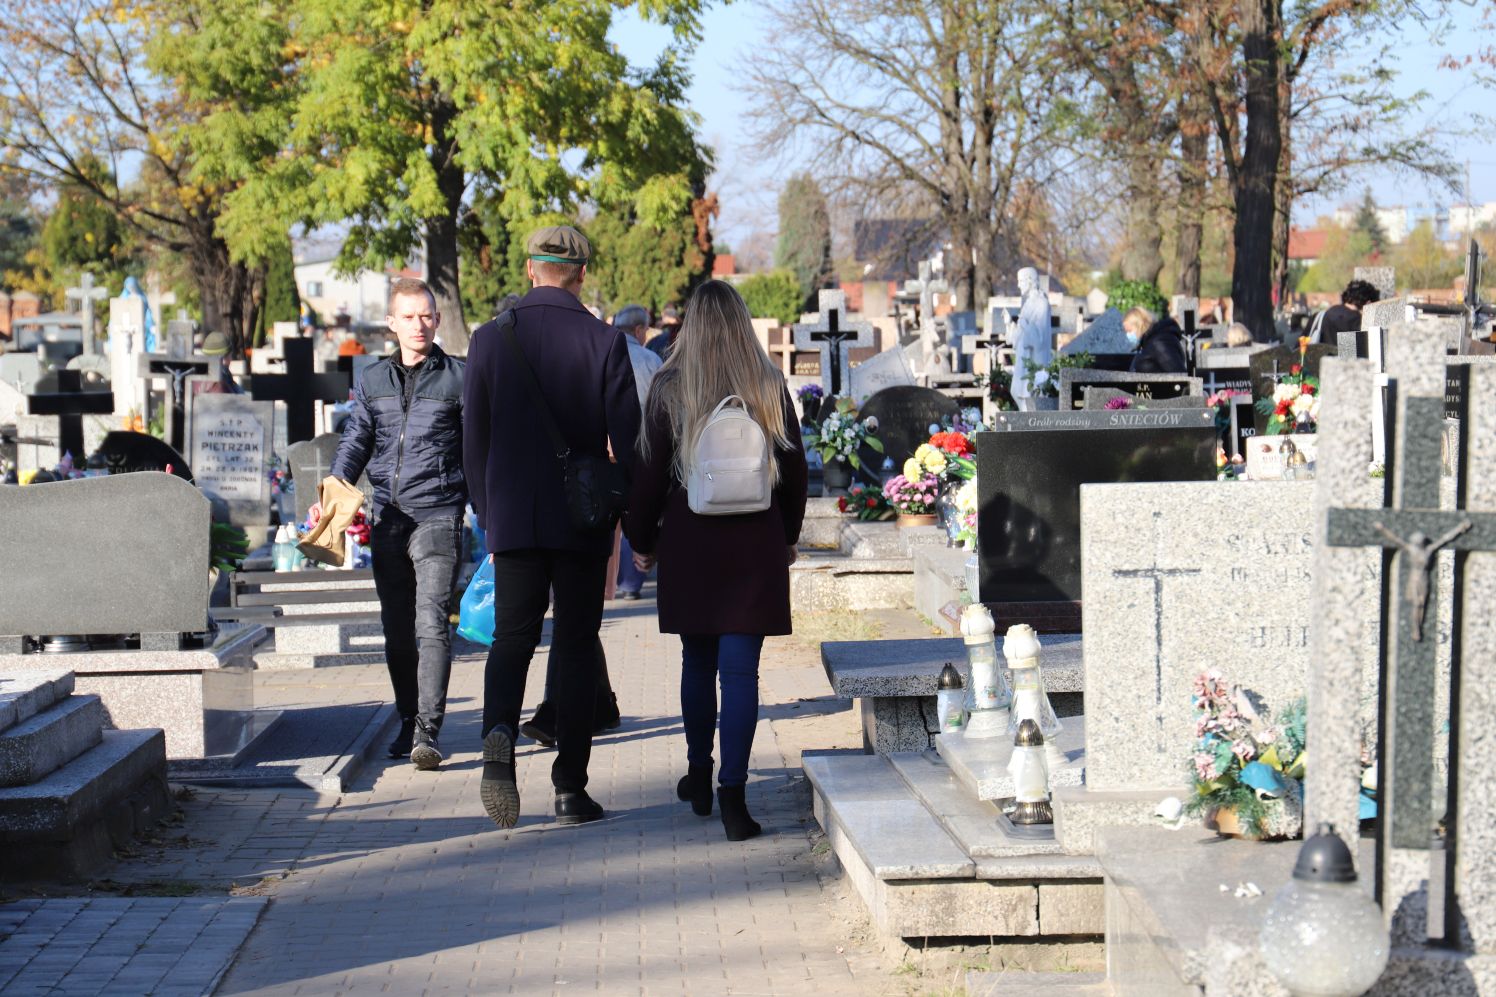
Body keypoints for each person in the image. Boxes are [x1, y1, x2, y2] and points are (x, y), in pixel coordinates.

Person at [463, 225, 640, 828]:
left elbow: (474, 441)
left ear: (529, 269)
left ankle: (497, 740)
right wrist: (636, 520)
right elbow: (630, 442)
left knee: (510, 640)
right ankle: (570, 787)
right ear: (582, 273)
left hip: (512, 516)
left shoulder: (488, 341)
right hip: (582, 519)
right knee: (573, 643)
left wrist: (490, 517)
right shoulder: (605, 341)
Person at [625, 280, 808, 841]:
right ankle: (735, 795)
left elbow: (649, 476)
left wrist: (642, 541)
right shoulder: (768, 385)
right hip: (753, 542)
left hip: (691, 538)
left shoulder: (669, 387)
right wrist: (788, 536)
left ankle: (699, 776)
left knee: (697, 665)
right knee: (741, 672)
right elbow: (795, 471)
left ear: (692, 327)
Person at [321, 278, 467, 771]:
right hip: (388, 517)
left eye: (426, 315)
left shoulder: (459, 378)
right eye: (408, 316)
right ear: (392, 323)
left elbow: (477, 448)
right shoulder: (373, 379)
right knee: (396, 628)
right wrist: (335, 485)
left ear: (437, 320)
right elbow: (356, 439)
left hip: (439, 512)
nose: (418, 325)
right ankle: (408, 719)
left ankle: (429, 728)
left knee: (431, 622)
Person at [612, 304, 663, 599]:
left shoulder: (601, 354)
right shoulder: (650, 360)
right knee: (636, 508)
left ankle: (610, 580)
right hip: (642, 446)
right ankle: (631, 582)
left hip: (606, 448)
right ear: (640, 330)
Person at [1009, 267, 1053, 410]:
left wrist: (1024, 325)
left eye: (1021, 281)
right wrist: (1009, 324)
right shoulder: (1028, 303)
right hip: (1024, 356)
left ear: (1030, 281)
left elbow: (1039, 339)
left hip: (1034, 360)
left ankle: (1030, 424)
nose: (1018, 285)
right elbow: (1019, 335)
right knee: (1016, 391)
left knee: (1030, 396)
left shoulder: (1042, 303)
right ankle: (1026, 421)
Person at [1309, 279, 1379, 344]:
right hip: (1341, 357)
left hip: (1318, 356)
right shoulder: (1358, 321)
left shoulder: (1321, 314)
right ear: (1368, 303)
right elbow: (1353, 352)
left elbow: (1300, 344)